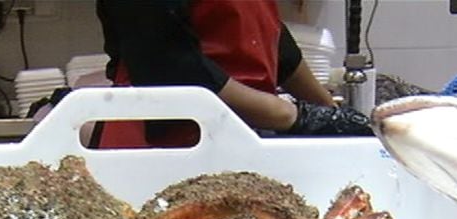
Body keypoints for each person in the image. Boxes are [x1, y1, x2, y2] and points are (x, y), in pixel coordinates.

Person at [90, 0, 373, 148]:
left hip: (238, 135)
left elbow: (269, 37)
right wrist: (294, 116)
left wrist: (329, 110)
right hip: (164, 144)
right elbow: (170, 67)